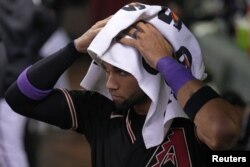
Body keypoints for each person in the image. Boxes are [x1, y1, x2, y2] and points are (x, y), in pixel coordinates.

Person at [5, 3, 241, 167]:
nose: (110, 84)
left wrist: (164, 61)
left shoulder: (195, 118)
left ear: (153, 70)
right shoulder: (101, 113)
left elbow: (221, 132)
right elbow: (18, 97)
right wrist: (74, 47)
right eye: (106, 70)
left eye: (121, 72)